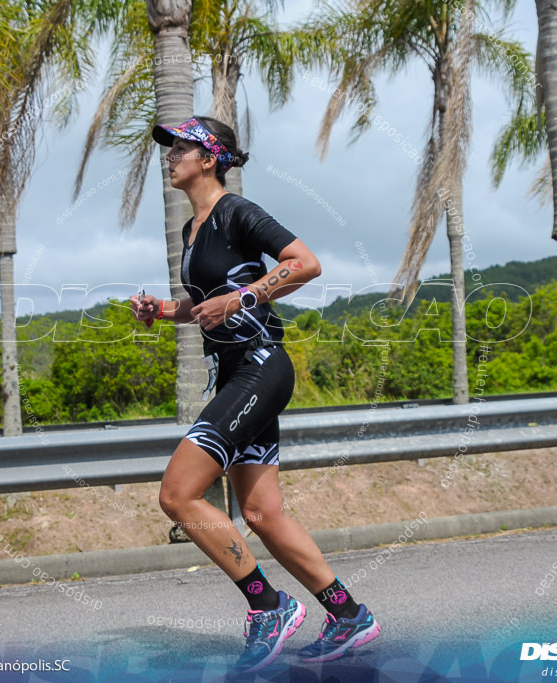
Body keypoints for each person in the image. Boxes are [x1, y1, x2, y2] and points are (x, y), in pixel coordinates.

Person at [130, 116, 381, 672]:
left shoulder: (238, 213)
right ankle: (348, 615)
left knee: (178, 494)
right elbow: (205, 306)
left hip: (260, 366)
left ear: (210, 157)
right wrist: (166, 311)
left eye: (181, 148)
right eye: (169, 148)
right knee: (264, 515)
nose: (170, 156)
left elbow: (305, 264)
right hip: (234, 371)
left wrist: (245, 297)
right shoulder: (190, 231)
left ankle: (267, 605)